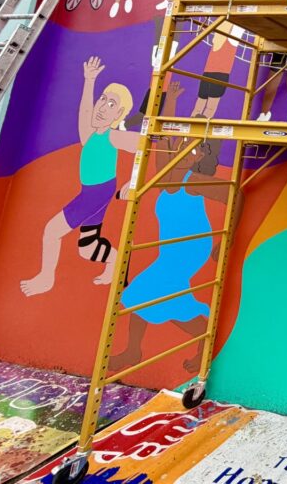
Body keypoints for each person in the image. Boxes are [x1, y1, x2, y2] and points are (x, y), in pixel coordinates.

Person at [109, 83, 230, 374]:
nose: (184, 148)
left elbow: (234, 195)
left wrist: (223, 241)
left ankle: (140, 350)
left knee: (145, 292)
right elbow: (165, 136)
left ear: (200, 156)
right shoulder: (166, 173)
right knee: (161, 297)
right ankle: (138, 350)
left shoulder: (194, 181)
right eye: (183, 142)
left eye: (194, 147)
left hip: (190, 249)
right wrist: (171, 101)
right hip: (171, 251)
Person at [20, 57, 139, 296]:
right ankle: (116, 261)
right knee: (87, 247)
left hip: (96, 193)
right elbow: (85, 112)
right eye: (102, 99)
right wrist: (89, 80)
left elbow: (144, 145)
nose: (102, 106)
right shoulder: (91, 135)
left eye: (111, 104)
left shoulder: (113, 136)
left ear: (119, 115)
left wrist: (133, 181)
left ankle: (46, 278)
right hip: (94, 191)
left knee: (52, 231)